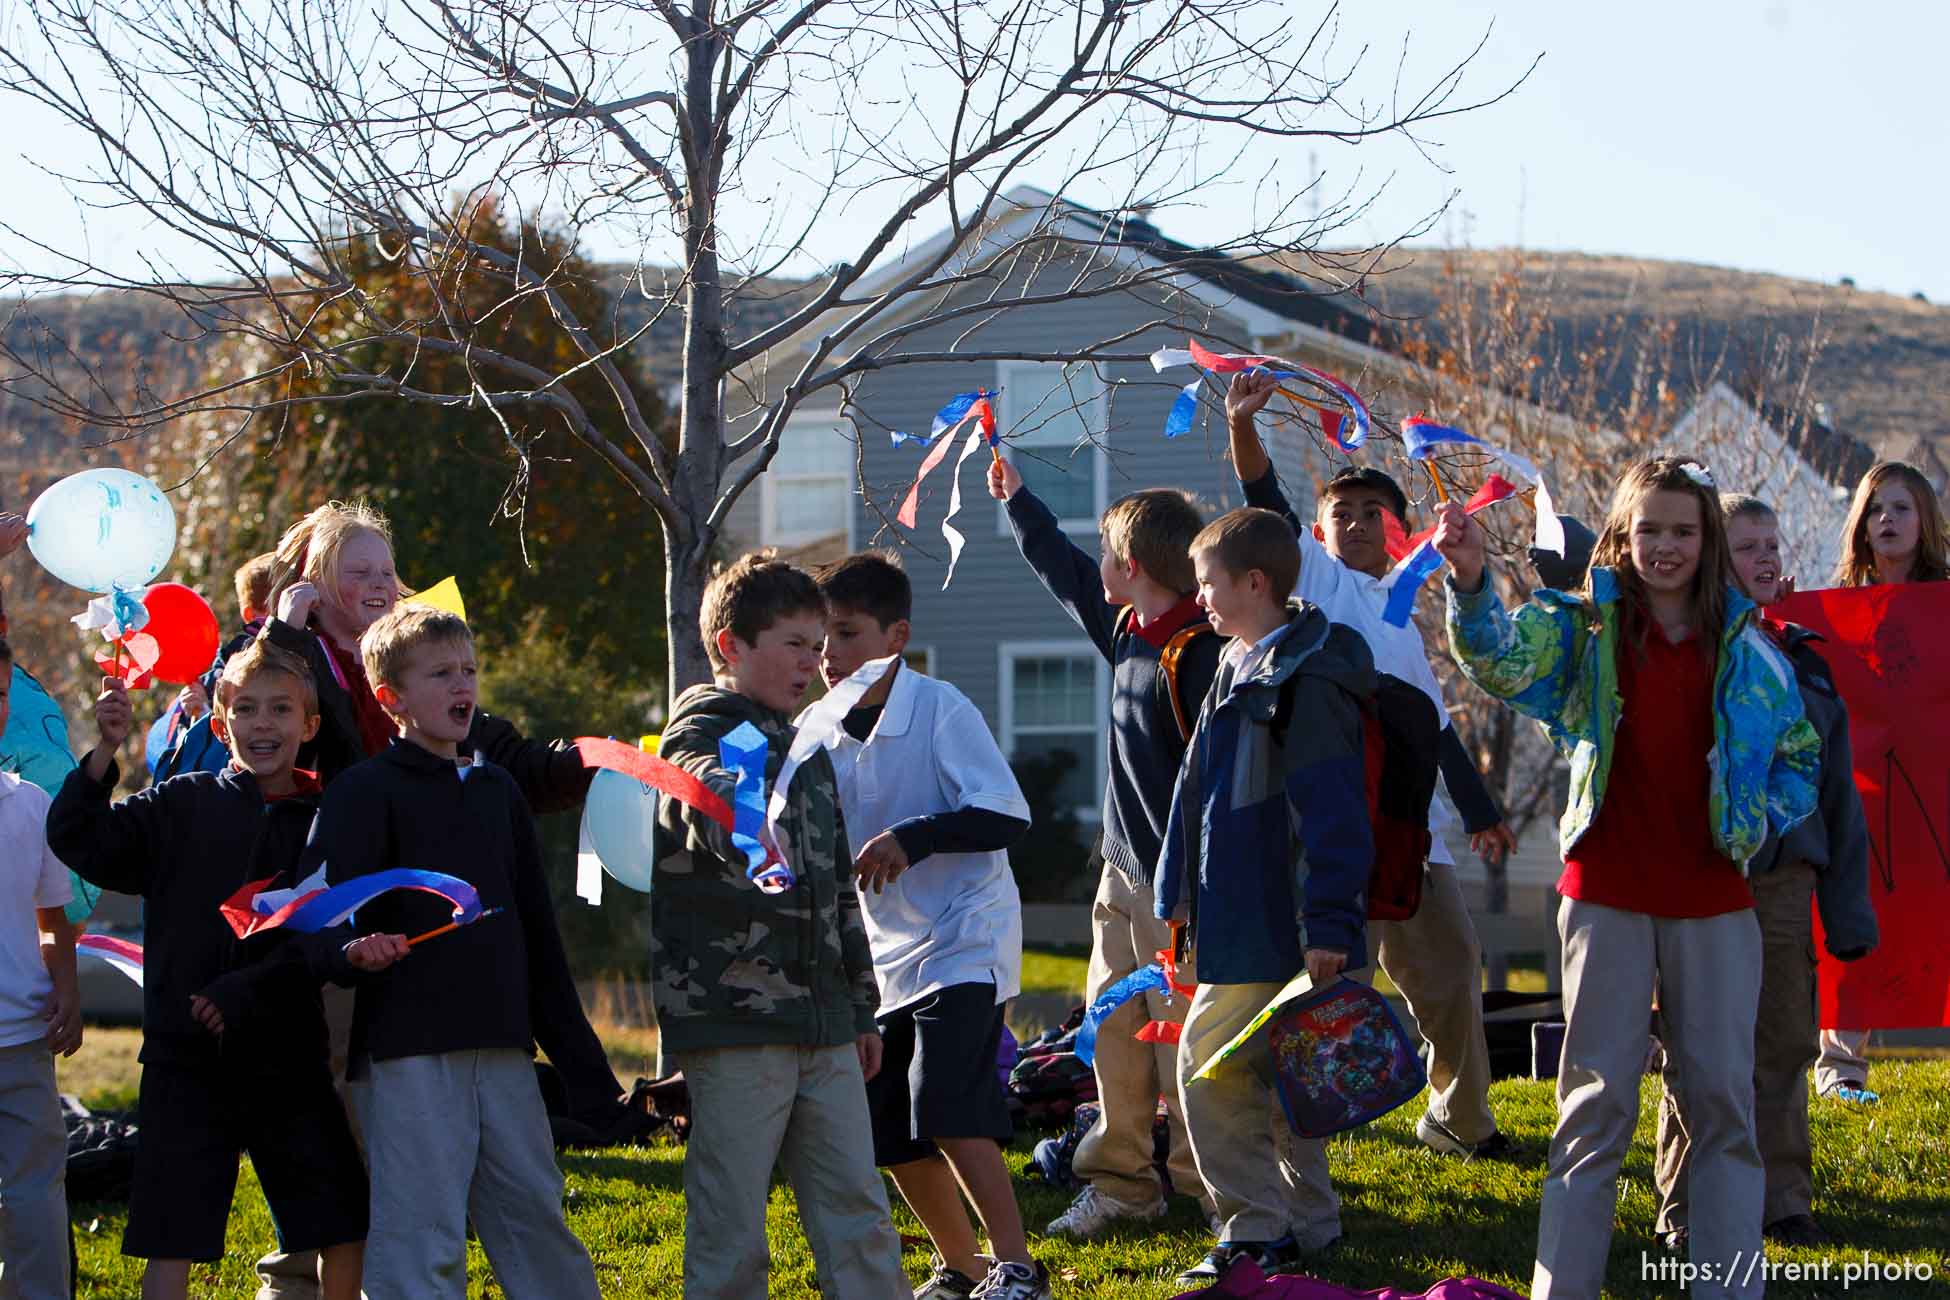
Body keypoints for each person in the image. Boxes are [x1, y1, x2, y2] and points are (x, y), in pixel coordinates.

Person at [1435, 456, 1820, 1300]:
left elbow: (1801, 759)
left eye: (1684, 530)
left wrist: (1751, 821)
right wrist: (1468, 581)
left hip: (1716, 901)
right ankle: (1562, 1289)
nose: (1666, 546)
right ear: (1622, 535)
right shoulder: (1584, 630)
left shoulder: (1754, 652)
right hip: (1603, 893)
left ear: (1707, 539)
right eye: (1649, 529)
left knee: (1722, 1102)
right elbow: (1499, 661)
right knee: (1594, 1107)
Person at [1225, 371, 1518, 1158]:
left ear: (1400, 532)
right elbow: (1267, 502)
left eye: (1372, 514)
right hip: (1333, 836)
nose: (1353, 524)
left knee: (1452, 973)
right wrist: (1244, 429)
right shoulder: (1315, 586)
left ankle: (1461, 1122)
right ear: (1316, 536)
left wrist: (1482, 811)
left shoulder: (1402, 615)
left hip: (1416, 838)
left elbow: (1434, 729)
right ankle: (1306, 1131)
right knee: (1325, 989)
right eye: (1339, 514)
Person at [47, 641, 371, 1300]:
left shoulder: (326, 821)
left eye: (281, 710)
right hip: (184, 1062)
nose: (263, 724)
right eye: (245, 709)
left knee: (343, 1220)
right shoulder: (178, 804)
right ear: (220, 727)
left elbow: (326, 938)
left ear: (308, 726)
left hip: (289, 1059)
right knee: (171, 1238)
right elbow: (80, 839)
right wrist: (105, 752)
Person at [304, 604, 600, 1299]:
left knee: (536, 1218)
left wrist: (585, 1067)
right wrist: (351, 948)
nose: (461, 685)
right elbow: (317, 919)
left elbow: (538, 937)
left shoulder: (497, 791)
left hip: (501, 1049)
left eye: (468, 670)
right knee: (420, 1235)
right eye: (439, 673)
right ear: (390, 698)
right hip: (408, 1056)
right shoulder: (360, 793)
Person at [652, 553, 906, 1300]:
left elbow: (837, 895)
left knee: (857, 1210)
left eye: (820, 643)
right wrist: (739, 806)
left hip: (825, 1024)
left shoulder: (809, 747)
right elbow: (697, 790)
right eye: (794, 643)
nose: (814, 661)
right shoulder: (704, 729)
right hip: (736, 1028)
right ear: (732, 646)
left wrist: (859, 1007)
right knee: (732, 1225)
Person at [989, 457, 1221, 1236]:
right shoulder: (1125, 629)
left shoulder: (1198, 654)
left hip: (1181, 893)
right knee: (1112, 1034)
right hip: (1119, 880)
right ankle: (1123, 1182)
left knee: (1185, 1044)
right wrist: (1020, 502)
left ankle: (1201, 1185)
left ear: (1133, 565)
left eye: (1107, 554)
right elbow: (1063, 572)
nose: (1098, 566)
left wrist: (1186, 887)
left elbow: (1217, 788)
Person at [811, 553, 1045, 1300]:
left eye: (845, 634)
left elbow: (1007, 813)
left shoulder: (942, 707)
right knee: (890, 1127)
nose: (828, 654)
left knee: (943, 1100)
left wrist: (915, 836)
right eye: (819, 637)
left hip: (966, 939)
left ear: (895, 637)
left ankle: (1018, 1270)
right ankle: (962, 1269)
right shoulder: (813, 728)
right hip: (883, 958)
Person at [1648, 493, 1878, 1252]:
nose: (1768, 557)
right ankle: (1684, 1208)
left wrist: (1849, 915)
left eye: (1774, 544)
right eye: (1748, 547)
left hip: (1784, 883)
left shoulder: (1806, 661)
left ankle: (1783, 1202)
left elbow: (1840, 796)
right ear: (1716, 562)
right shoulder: (1684, 654)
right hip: (1702, 878)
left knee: (1781, 1041)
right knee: (1699, 1044)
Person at [1154, 508, 1377, 1286]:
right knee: (1291, 1072)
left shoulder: (1306, 679)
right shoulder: (1237, 663)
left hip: (1281, 921)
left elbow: (1332, 809)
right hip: (1236, 908)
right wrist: (1177, 891)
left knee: (1205, 1071)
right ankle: (1312, 1226)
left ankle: (1254, 1229)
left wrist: (1332, 923)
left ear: (1256, 583)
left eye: (1210, 582)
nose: (1200, 597)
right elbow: (1196, 792)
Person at [1814, 460, 1950, 1105]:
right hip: (1861, 796)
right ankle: (1841, 1066)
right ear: (1861, 526)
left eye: (1901, 507)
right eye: (1875, 509)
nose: (1887, 520)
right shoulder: (1830, 613)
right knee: (1853, 920)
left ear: (1925, 521)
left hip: (1939, 797)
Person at [0, 635, 81, 1300]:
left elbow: (53, 922)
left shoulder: (31, 806)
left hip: (23, 1041)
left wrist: (68, 992)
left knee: (34, 1191)